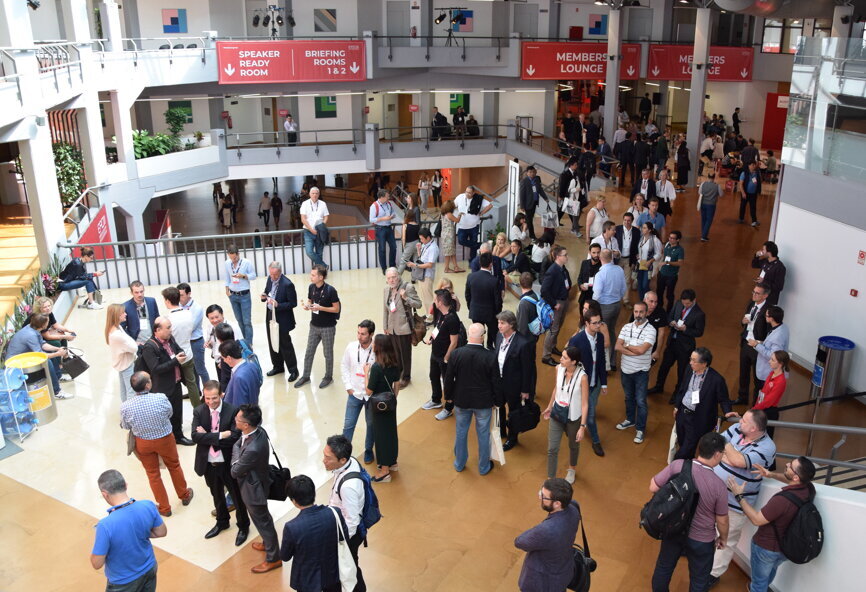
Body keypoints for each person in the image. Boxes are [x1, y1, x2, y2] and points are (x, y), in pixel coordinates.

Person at [649, 432, 730, 592]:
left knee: (664, 567)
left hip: (673, 529)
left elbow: (653, 487)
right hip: (701, 540)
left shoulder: (678, 465)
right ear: (717, 454)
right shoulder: (718, 485)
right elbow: (722, 520)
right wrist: (723, 538)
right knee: (699, 580)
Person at [726, 456, 817, 592]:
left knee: (758, 583)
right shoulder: (808, 489)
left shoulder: (781, 500)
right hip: (785, 548)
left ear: (796, 477)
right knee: (770, 571)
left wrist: (739, 495)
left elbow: (757, 519)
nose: (786, 464)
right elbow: (789, 478)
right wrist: (770, 474)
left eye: (790, 465)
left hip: (766, 549)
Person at [708, 409, 776, 587]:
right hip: (713, 494)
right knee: (706, 526)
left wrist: (727, 449)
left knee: (726, 539)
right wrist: (731, 455)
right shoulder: (739, 429)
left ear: (753, 429)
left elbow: (738, 460)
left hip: (734, 505)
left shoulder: (767, 448)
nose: (739, 422)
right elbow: (715, 444)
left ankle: (713, 574)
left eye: (744, 421)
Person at [121, 371, 194, 517]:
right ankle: (184, 495)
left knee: (153, 474)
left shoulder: (126, 406)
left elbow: (125, 426)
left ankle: (165, 508)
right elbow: (170, 414)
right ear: (148, 384)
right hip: (165, 439)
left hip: (143, 443)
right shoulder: (161, 398)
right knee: (174, 466)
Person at [191, 380, 250, 545]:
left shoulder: (233, 411)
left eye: (214, 398)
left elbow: (234, 438)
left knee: (237, 497)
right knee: (216, 495)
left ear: (221, 395)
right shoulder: (198, 411)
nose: (210, 402)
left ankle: (243, 526)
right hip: (208, 463)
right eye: (207, 398)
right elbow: (195, 437)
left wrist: (207, 436)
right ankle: (222, 522)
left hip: (228, 463)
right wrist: (219, 435)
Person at [90, 469, 166, 592]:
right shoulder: (148, 505)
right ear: (125, 485)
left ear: (105, 494)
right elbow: (161, 532)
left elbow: (96, 563)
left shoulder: (105, 525)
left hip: (123, 582)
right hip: (149, 568)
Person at [445, 323, 502, 476]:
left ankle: (459, 463)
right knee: (483, 434)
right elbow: (495, 381)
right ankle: (483, 467)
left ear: (469, 335)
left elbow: (449, 378)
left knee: (461, 431)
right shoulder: (490, 356)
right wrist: (498, 401)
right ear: (482, 337)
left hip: (461, 400)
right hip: (483, 402)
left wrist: (448, 397)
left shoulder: (457, 354)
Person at [231, 404, 281, 574]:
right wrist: (238, 448)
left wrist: (235, 450)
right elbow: (240, 443)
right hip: (260, 480)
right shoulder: (258, 431)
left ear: (246, 424)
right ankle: (268, 544)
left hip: (254, 490)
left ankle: (274, 558)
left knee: (263, 521)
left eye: (238, 419)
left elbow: (235, 471)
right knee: (263, 520)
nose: (235, 421)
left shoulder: (253, 448)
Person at [514, 478, 582, 592]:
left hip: (542, 582)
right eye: (541, 492)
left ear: (557, 503)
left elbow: (519, 542)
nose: (540, 497)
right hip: (563, 571)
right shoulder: (574, 507)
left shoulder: (546, 530)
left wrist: (538, 530)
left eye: (544, 496)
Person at [280, 475, 347, 591]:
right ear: (313, 493)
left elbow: (285, 556)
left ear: (294, 501)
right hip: (333, 573)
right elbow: (344, 537)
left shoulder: (292, 527)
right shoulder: (334, 513)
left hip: (307, 580)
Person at [672, 347, 737, 459]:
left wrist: (727, 412)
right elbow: (682, 388)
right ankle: (686, 463)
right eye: (690, 359)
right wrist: (677, 407)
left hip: (698, 418)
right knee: (683, 442)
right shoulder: (689, 369)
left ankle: (676, 467)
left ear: (704, 364)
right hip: (682, 413)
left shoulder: (716, 380)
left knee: (685, 449)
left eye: (694, 361)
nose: (690, 362)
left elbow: (724, 399)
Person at [138, 316, 193, 445]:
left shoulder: (170, 339)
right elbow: (156, 369)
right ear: (157, 330)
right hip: (162, 387)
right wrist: (175, 361)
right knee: (164, 414)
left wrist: (181, 354)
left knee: (177, 411)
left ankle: (178, 436)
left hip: (176, 382)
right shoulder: (149, 347)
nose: (170, 330)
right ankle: (166, 439)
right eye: (168, 328)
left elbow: (178, 349)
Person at [324, 435, 368, 592]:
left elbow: (352, 522)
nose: (324, 460)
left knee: (349, 568)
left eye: (328, 458)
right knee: (351, 566)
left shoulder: (348, 487)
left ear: (342, 460)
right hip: (345, 528)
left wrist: (340, 543)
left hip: (347, 535)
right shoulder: (351, 462)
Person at [650, 289, 706, 400]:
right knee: (664, 367)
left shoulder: (699, 314)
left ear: (694, 300)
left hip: (685, 347)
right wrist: (671, 322)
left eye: (688, 304)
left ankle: (677, 393)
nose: (685, 305)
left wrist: (686, 329)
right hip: (672, 342)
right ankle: (659, 386)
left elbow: (699, 332)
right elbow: (669, 316)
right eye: (684, 303)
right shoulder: (678, 304)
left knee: (682, 372)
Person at [543, 347, 589, 483]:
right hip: (557, 414)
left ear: (573, 361)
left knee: (573, 445)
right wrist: (549, 406)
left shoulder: (583, 377)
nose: (561, 359)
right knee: (552, 448)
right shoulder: (558, 369)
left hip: (573, 418)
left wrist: (582, 426)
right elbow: (556, 388)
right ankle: (550, 479)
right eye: (561, 356)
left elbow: (585, 403)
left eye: (564, 358)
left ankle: (572, 469)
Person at [614, 301, 657, 444]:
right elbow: (617, 346)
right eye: (636, 312)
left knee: (641, 401)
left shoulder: (651, 330)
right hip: (625, 370)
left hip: (640, 372)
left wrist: (626, 346)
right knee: (628, 397)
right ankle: (630, 420)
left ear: (646, 313)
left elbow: (641, 350)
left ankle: (640, 429)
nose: (638, 315)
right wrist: (632, 350)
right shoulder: (626, 327)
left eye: (641, 312)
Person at [567, 309, 607, 457]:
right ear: (586, 323)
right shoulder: (577, 340)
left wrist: (603, 383)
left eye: (600, 322)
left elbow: (601, 360)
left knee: (589, 412)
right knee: (585, 413)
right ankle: (590, 438)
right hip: (581, 384)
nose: (598, 326)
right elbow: (569, 363)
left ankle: (591, 436)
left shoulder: (601, 338)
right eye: (595, 323)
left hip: (595, 383)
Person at [295, 265, 341, 389]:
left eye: (313, 275)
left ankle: (328, 376)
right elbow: (310, 300)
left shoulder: (331, 290)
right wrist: (308, 306)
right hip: (314, 326)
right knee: (309, 352)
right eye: (311, 274)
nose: (311, 277)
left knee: (328, 354)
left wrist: (321, 308)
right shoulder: (311, 287)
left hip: (328, 327)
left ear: (321, 277)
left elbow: (336, 308)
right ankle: (305, 376)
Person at [6, 314, 71, 399]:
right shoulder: (31, 335)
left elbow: (43, 344)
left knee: (52, 353)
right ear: (43, 325)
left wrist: (57, 349)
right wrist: (58, 354)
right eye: (47, 322)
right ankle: (57, 392)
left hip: (25, 355)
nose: (48, 324)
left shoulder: (32, 327)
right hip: (16, 363)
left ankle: (58, 377)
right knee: (48, 361)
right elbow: (41, 355)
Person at [365, 334, 402, 482]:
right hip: (391, 403)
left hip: (378, 407)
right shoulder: (395, 363)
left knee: (381, 437)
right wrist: (393, 398)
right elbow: (397, 384)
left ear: (378, 347)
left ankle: (384, 470)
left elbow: (368, 391)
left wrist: (365, 374)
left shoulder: (376, 367)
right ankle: (393, 462)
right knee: (391, 433)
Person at [421, 289, 462, 420]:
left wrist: (446, 358)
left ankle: (449, 407)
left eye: (435, 299)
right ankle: (436, 399)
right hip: (435, 353)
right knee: (433, 376)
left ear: (440, 302)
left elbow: (454, 342)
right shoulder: (440, 313)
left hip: (445, 357)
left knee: (447, 382)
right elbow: (437, 328)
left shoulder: (452, 319)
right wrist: (431, 339)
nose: (434, 301)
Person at [495, 311, 533, 451]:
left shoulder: (523, 344)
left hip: (514, 386)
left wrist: (525, 390)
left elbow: (527, 369)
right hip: (499, 382)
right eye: (499, 322)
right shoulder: (498, 336)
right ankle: (501, 431)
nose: (499, 326)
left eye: (502, 323)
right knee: (499, 407)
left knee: (514, 412)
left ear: (511, 325)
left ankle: (512, 438)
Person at [341, 320, 377, 465]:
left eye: (363, 334)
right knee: (348, 425)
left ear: (371, 334)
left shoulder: (377, 350)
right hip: (354, 394)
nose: (359, 336)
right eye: (358, 333)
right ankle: (343, 454)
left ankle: (368, 450)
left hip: (370, 396)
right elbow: (344, 365)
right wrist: (348, 386)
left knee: (371, 425)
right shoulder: (351, 347)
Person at [162, 286, 201, 409]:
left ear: (167, 301)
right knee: (192, 383)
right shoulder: (188, 314)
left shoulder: (167, 319)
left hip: (173, 357)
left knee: (172, 385)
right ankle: (198, 409)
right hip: (187, 353)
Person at [383, 267, 421, 387]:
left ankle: (406, 377)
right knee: (396, 353)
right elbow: (385, 309)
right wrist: (385, 326)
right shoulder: (386, 290)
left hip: (404, 328)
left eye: (394, 277)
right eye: (389, 278)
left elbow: (418, 304)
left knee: (405, 354)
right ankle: (399, 372)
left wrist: (406, 298)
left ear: (398, 276)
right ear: (386, 280)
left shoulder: (408, 287)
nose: (392, 280)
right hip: (392, 327)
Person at [261, 261, 299, 382]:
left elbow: (293, 303)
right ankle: (278, 366)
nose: (272, 277)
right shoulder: (269, 279)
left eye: (275, 275)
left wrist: (278, 305)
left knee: (285, 344)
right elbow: (267, 291)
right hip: (270, 315)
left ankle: (293, 370)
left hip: (282, 318)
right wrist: (264, 296)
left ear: (280, 272)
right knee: (272, 340)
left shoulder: (288, 284)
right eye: (271, 274)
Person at [591, 248, 627, 370]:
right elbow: (623, 289)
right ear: (611, 257)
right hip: (617, 305)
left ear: (600, 258)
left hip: (604, 306)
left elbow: (596, 294)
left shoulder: (600, 274)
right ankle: (612, 361)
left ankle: (605, 365)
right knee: (611, 331)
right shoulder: (619, 270)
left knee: (602, 334)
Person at [736, 282, 771, 405]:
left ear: (765, 296)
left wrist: (759, 343)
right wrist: (743, 321)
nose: (754, 295)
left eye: (757, 293)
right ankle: (742, 397)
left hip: (757, 346)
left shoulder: (768, 310)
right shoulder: (751, 304)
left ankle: (755, 404)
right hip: (746, 342)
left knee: (757, 376)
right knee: (743, 372)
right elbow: (745, 322)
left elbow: (769, 331)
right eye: (753, 292)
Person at [541, 246, 573, 366]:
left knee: (558, 327)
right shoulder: (552, 270)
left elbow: (567, 282)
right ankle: (546, 355)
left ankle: (552, 347)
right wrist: (554, 304)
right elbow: (544, 290)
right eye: (565, 255)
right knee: (553, 330)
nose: (567, 257)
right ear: (558, 257)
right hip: (557, 303)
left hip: (564, 301)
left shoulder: (562, 269)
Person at [748, 305, 789, 397]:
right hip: (767, 369)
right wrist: (762, 343)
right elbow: (771, 344)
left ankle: (756, 410)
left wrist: (756, 345)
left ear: (772, 318)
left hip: (767, 371)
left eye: (766, 316)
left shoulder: (778, 336)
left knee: (761, 393)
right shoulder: (783, 327)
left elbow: (773, 355)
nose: (764, 317)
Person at [465, 251, 503, 350]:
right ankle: (491, 348)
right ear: (491, 264)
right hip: (491, 313)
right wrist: (497, 313)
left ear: (480, 263)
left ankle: (479, 351)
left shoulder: (471, 277)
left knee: (478, 334)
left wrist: (471, 307)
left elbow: (467, 296)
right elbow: (498, 301)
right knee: (493, 333)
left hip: (475, 312)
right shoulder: (494, 280)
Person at [223, 244, 256, 344]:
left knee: (247, 321)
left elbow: (253, 276)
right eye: (231, 258)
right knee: (239, 320)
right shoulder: (227, 263)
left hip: (244, 295)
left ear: (238, 254)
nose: (233, 260)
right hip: (233, 295)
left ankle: (249, 342)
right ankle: (243, 341)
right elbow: (227, 277)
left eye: (235, 258)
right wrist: (226, 289)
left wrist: (243, 276)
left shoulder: (246, 262)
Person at [177, 283, 209, 385]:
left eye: (182, 295)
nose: (179, 298)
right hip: (185, 342)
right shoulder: (178, 306)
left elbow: (191, 327)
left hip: (196, 342)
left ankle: (208, 391)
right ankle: (196, 391)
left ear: (189, 294)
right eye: (178, 295)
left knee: (200, 369)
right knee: (191, 370)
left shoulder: (197, 308)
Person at [106, 303, 138, 402]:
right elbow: (134, 348)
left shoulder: (116, 328)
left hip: (122, 363)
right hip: (127, 364)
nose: (126, 314)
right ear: (117, 315)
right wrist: (133, 343)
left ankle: (125, 411)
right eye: (123, 313)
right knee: (131, 391)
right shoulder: (117, 334)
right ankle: (130, 414)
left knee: (124, 389)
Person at [204, 305, 240, 391]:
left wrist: (225, 361)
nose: (215, 320)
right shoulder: (210, 327)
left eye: (217, 317)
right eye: (211, 318)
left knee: (232, 386)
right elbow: (213, 344)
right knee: (223, 385)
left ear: (222, 314)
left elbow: (239, 345)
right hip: (218, 361)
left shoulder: (232, 327)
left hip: (229, 361)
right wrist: (209, 345)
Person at [406, 228, 439, 323]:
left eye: (422, 239)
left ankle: (431, 318)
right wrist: (419, 249)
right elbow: (422, 258)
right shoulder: (426, 244)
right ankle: (429, 313)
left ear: (428, 237)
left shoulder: (433, 248)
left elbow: (429, 264)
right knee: (425, 297)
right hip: (422, 275)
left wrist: (414, 265)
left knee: (428, 297)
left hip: (427, 275)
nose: (421, 241)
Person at [754, 350, 789, 439]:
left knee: (765, 438)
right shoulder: (771, 373)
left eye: (773, 360)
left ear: (780, 363)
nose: (769, 361)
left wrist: (753, 410)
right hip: (761, 408)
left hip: (768, 412)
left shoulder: (780, 381)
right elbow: (764, 393)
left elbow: (768, 401)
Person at [454, 186, 493, 261]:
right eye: (466, 192)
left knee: (473, 246)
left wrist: (481, 213)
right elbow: (453, 205)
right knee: (461, 240)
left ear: (473, 193)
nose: (467, 194)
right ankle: (481, 245)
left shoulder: (478, 198)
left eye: (469, 193)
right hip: (462, 226)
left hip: (474, 226)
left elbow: (490, 205)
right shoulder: (460, 197)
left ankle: (472, 261)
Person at [221, 340, 261, 406]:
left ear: (229, 358)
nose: (224, 361)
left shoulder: (238, 378)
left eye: (223, 358)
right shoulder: (252, 365)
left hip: (245, 413)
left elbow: (239, 405)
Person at [369, 189, 398, 275]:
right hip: (380, 229)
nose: (388, 197)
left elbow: (393, 213)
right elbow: (371, 219)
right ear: (381, 197)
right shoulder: (374, 206)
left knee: (393, 247)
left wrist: (392, 216)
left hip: (389, 228)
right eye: (387, 196)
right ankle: (384, 268)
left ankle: (392, 266)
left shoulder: (388, 204)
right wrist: (383, 218)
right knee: (382, 249)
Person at [300, 186, 330, 268]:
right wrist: (311, 229)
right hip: (308, 231)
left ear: (319, 194)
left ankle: (320, 272)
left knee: (319, 252)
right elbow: (303, 219)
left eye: (316, 193)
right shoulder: (305, 204)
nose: (315, 195)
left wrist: (322, 225)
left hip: (319, 231)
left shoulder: (323, 204)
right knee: (309, 252)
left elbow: (326, 216)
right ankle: (323, 266)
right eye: (313, 193)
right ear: (309, 194)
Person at [656, 230, 685, 313]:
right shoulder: (667, 245)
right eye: (670, 237)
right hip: (662, 273)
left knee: (669, 295)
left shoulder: (680, 250)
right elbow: (663, 255)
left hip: (671, 276)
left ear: (678, 240)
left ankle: (669, 312)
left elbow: (680, 263)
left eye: (673, 238)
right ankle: (659, 309)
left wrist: (668, 262)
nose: (670, 239)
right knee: (659, 292)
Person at [615, 213, 640, 304]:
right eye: (625, 220)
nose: (626, 222)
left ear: (632, 221)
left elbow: (637, 247)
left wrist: (634, 261)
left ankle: (626, 300)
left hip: (629, 260)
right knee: (616, 280)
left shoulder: (637, 232)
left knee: (627, 281)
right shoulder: (617, 229)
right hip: (618, 259)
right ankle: (616, 299)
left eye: (629, 220)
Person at [751, 241, 786, 306]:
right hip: (758, 296)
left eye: (764, 249)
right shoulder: (765, 261)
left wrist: (764, 281)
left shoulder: (779, 267)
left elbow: (779, 287)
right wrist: (756, 256)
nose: (762, 251)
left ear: (769, 252)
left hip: (769, 300)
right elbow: (754, 265)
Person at [636, 222, 663, 301]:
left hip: (649, 265)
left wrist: (650, 261)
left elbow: (659, 254)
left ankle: (648, 301)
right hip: (641, 263)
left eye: (644, 228)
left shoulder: (655, 240)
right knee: (639, 284)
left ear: (649, 230)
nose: (642, 229)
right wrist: (638, 255)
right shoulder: (642, 238)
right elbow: (640, 249)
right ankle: (642, 300)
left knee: (645, 284)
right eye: (642, 227)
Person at [520, 166, 545, 241]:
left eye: (533, 172)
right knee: (529, 220)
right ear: (527, 173)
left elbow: (540, 190)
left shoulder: (536, 179)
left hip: (534, 203)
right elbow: (521, 194)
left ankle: (525, 230)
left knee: (530, 219)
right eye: (530, 172)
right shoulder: (524, 181)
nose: (532, 173)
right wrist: (522, 206)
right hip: (527, 204)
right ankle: (532, 236)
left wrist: (545, 198)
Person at [439, 200, 463, 273]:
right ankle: (446, 268)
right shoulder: (449, 214)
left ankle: (456, 267)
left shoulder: (442, 214)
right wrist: (460, 214)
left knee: (451, 251)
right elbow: (457, 220)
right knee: (448, 253)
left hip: (444, 235)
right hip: (449, 236)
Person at [576, 243, 602, 310]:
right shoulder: (584, 263)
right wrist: (580, 285)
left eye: (598, 252)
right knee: (582, 312)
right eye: (594, 252)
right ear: (589, 252)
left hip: (595, 298)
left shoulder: (603, 266)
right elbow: (580, 277)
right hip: (584, 295)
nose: (596, 255)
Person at [698, 174, 722, 241]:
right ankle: (703, 236)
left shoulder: (703, 184)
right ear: (714, 178)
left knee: (703, 219)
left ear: (707, 177)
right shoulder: (717, 186)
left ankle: (703, 234)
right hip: (711, 205)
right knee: (709, 220)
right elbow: (721, 194)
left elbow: (699, 192)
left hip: (703, 203)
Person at [738, 161, 762, 227]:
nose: (753, 166)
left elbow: (758, 182)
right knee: (743, 206)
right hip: (745, 193)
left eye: (754, 165)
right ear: (748, 166)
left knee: (753, 207)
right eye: (752, 165)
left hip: (753, 194)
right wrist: (743, 193)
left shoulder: (757, 173)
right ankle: (741, 218)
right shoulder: (744, 173)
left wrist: (758, 191)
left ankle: (754, 221)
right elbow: (741, 184)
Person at [397, 209, 420, 275]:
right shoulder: (417, 225)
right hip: (417, 243)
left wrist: (404, 246)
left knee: (403, 261)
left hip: (409, 245)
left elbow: (403, 238)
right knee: (415, 262)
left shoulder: (405, 225)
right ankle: (414, 278)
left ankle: (397, 277)